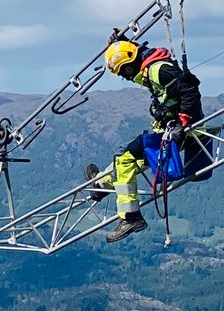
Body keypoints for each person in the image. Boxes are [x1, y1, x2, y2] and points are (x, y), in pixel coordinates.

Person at [86, 39, 207, 242]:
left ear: (131, 63)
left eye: (124, 71)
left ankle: (130, 216)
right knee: (126, 161)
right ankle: (102, 183)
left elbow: (189, 90)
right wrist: (122, 44)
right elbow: (138, 62)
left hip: (180, 132)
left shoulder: (158, 70)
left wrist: (183, 121)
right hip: (174, 131)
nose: (126, 77)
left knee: (125, 157)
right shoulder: (149, 67)